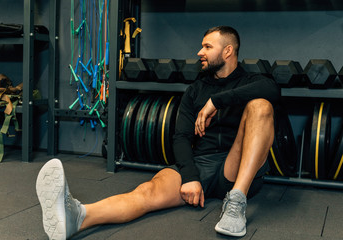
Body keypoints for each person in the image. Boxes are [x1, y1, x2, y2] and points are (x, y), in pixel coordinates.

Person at [36, 25, 280, 240]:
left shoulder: (252, 81)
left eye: (207, 46)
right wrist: (191, 176)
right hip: (201, 163)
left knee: (261, 106)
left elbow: (272, 89)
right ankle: (77, 217)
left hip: (236, 165)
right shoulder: (195, 90)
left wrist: (216, 101)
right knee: (147, 191)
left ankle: (236, 202)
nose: (199, 52)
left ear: (227, 51)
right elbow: (181, 137)